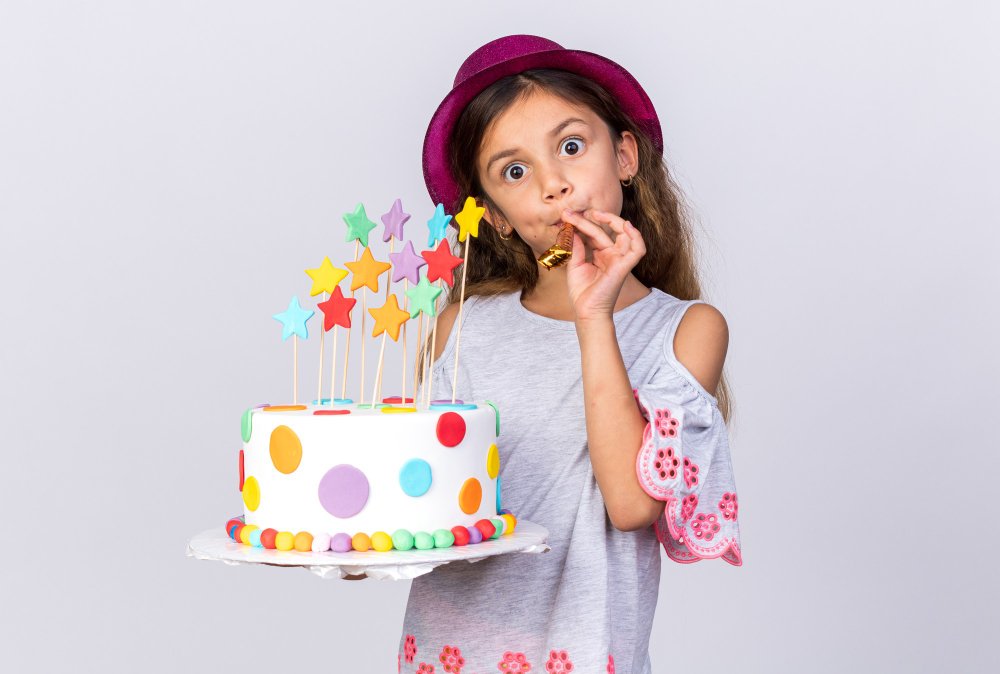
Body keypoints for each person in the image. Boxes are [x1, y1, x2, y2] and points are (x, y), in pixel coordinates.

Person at [398, 35, 742, 674]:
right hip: (446, 655)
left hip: (584, 656)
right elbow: (421, 506)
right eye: (515, 171)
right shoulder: (459, 328)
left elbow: (631, 504)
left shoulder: (688, 330)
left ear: (626, 155)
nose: (554, 184)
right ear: (496, 215)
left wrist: (594, 314)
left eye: (572, 147)